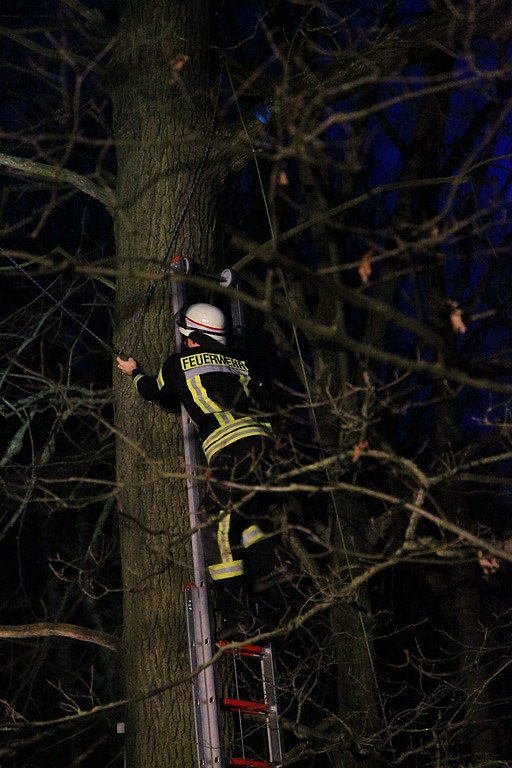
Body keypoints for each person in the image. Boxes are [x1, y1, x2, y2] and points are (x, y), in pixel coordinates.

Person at [117, 302, 293, 639]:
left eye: (186, 336)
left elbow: (154, 392)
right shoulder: (241, 362)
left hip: (232, 450)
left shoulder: (178, 364)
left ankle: (236, 614)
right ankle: (272, 576)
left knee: (215, 524)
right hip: (267, 448)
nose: (184, 342)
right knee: (244, 516)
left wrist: (134, 371)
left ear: (195, 337)